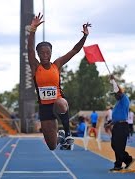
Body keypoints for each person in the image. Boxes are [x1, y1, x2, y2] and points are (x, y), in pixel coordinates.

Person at [27, 13, 91, 150]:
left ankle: (67, 133)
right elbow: (30, 50)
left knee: (60, 102)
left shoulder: (57, 64)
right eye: (42, 53)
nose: (45, 55)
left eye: (47, 52)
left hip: (58, 103)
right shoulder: (35, 66)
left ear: (51, 53)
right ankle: (60, 137)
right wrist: (32, 30)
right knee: (52, 146)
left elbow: (74, 50)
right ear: (38, 54)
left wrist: (84, 36)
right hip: (44, 108)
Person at [109, 75, 135, 171]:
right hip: (117, 125)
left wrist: (113, 81)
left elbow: (119, 90)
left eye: (116, 94)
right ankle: (126, 160)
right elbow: (117, 115)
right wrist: (110, 123)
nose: (115, 95)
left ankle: (120, 164)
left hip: (122, 126)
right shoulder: (118, 102)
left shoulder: (124, 99)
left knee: (118, 145)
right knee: (114, 145)